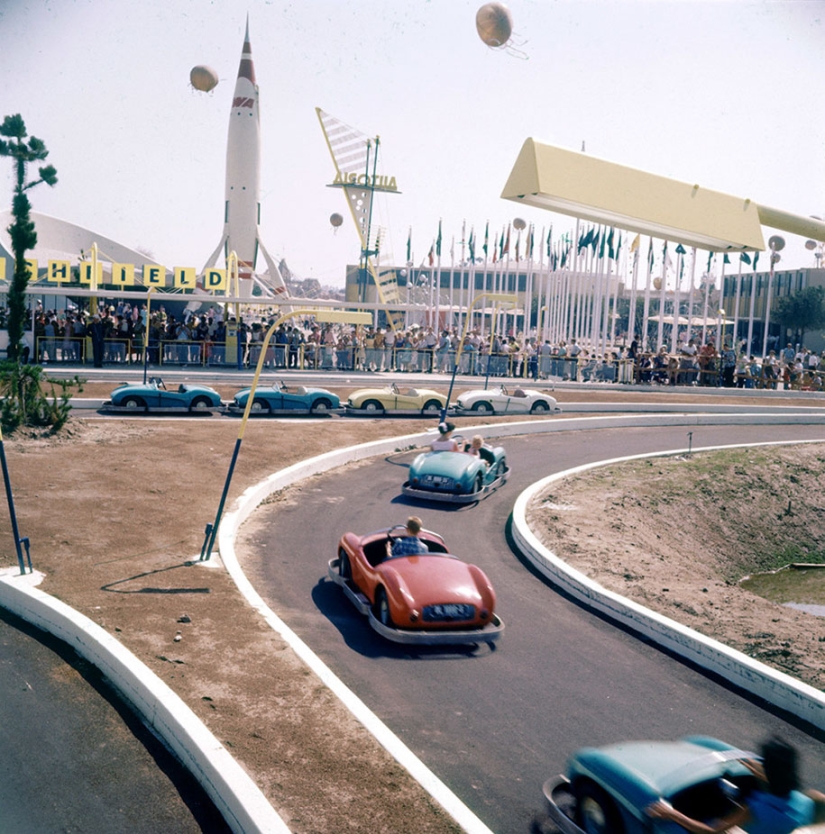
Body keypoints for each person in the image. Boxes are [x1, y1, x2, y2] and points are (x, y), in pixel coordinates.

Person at [646, 735, 824, 833]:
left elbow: (711, 831)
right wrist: (762, 774)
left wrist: (673, 814)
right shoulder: (808, 801)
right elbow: (782, 804)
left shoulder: (755, 808)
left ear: (769, 772)